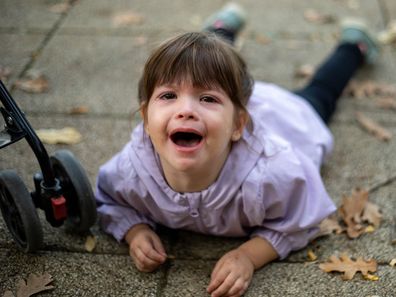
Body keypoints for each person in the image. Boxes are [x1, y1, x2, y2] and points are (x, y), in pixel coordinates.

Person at [95, 3, 379, 297]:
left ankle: (354, 46)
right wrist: (134, 231)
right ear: (145, 119)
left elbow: (300, 220)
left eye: (206, 99)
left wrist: (248, 256)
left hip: (290, 119)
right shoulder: (132, 170)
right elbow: (109, 200)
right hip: (229, 105)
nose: (185, 110)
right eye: (168, 95)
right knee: (205, 67)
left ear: (238, 125)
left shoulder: (274, 174)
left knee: (321, 92)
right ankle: (220, 30)